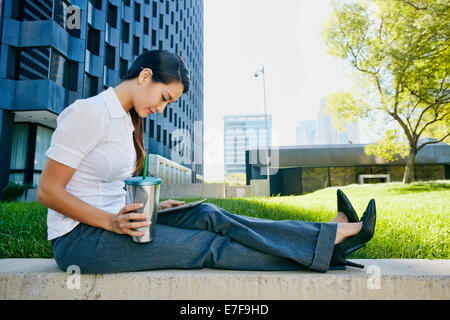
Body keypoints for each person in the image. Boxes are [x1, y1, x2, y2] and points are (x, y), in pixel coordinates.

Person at [37, 50, 376, 274]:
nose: (161, 108)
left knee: (207, 214)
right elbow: (49, 191)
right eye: (164, 98)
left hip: (121, 221)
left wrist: (152, 208)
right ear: (144, 77)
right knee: (207, 247)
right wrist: (111, 222)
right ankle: (326, 247)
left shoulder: (125, 121)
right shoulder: (89, 113)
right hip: (80, 240)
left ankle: (325, 236)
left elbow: (102, 187)